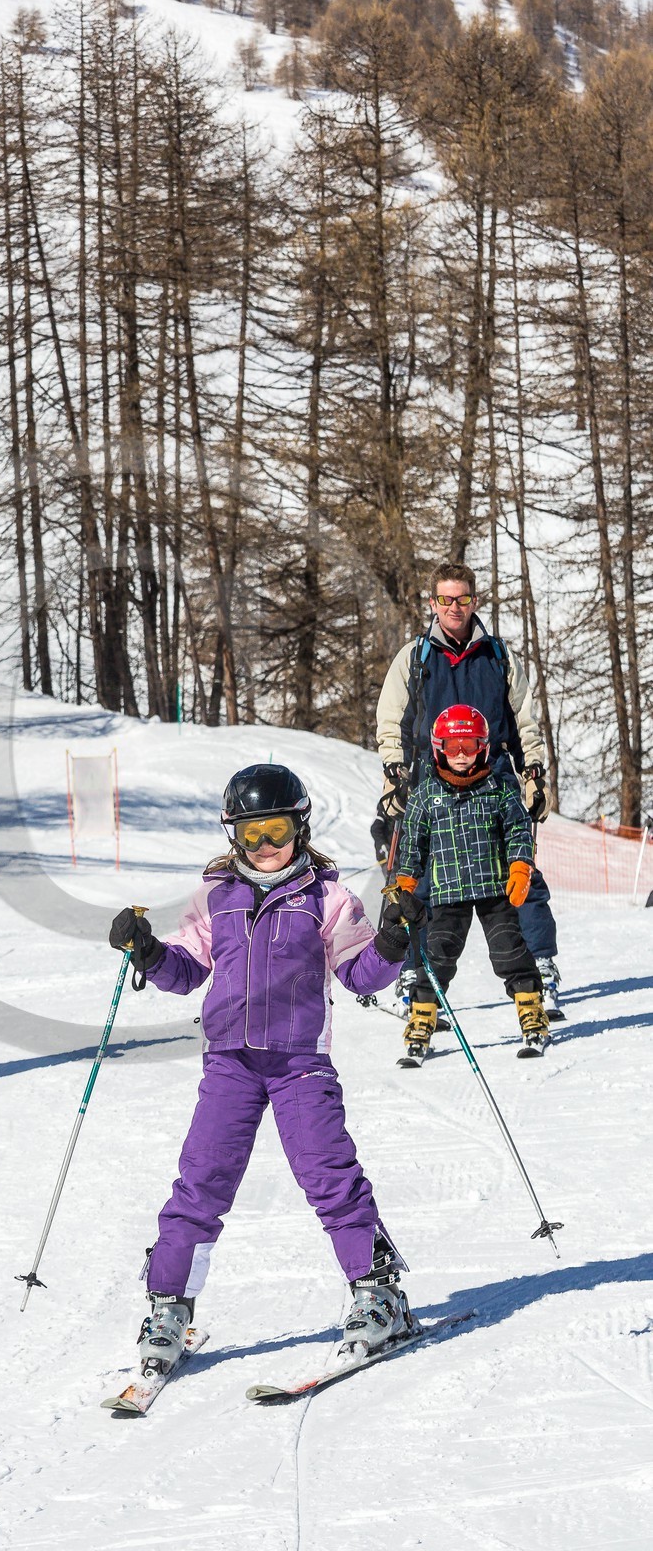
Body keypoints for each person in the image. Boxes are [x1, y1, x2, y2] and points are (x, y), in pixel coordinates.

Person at [107, 763, 426, 1377]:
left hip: (300, 1062)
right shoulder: (215, 897)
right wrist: (147, 951)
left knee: (329, 1174)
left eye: (275, 830)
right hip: (229, 1063)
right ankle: (169, 1306)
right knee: (201, 1180)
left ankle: (378, 1293)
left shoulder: (328, 897)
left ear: (299, 827)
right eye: (250, 834)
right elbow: (186, 970)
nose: (264, 846)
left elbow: (361, 975)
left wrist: (391, 941)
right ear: (233, 834)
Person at [376, 560, 562, 1020]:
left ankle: (540, 967)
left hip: (494, 778)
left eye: (461, 599)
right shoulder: (415, 656)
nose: (453, 607)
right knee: (415, 879)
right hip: (429, 781)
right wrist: (394, 775)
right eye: (445, 599)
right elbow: (391, 721)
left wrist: (533, 773)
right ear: (433, 603)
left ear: (473, 601)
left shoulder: (497, 655)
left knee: (520, 873)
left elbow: (524, 719)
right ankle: (414, 976)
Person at [394, 705, 548, 1066]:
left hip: (495, 890)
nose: (461, 755)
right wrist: (405, 885)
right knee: (437, 956)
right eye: (453, 747)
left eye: (470, 745)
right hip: (448, 893)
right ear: (438, 748)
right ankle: (422, 1019)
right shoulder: (426, 795)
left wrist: (520, 867)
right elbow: (412, 845)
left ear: (483, 747)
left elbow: (518, 832)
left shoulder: (499, 790)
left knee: (510, 951)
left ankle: (531, 1012)